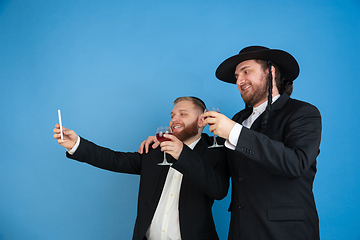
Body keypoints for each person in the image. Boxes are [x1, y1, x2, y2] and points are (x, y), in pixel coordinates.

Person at [53, 96, 229, 240]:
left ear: (201, 121)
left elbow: (219, 190)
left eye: (183, 114)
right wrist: (76, 144)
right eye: (172, 115)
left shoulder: (217, 151)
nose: (174, 119)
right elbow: (115, 160)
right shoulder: (155, 150)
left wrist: (183, 154)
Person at [202, 46, 322, 239]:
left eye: (246, 71)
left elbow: (296, 164)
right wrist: (178, 139)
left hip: (285, 233)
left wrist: (234, 132)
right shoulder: (238, 118)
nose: (239, 81)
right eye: (236, 77)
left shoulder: (303, 112)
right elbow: (216, 155)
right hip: (241, 230)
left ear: (270, 71)